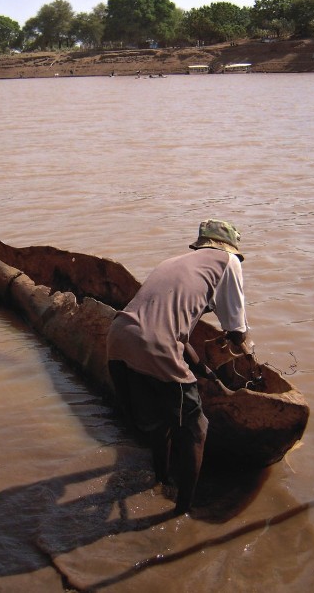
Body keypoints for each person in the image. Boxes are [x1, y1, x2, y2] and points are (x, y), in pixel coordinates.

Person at [107, 219, 249, 515]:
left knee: (161, 422)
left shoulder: (176, 263)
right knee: (197, 429)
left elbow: (177, 336)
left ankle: (160, 479)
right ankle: (181, 511)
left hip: (118, 336)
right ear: (230, 248)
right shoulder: (230, 262)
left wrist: (207, 375)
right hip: (155, 346)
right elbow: (236, 331)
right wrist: (243, 343)